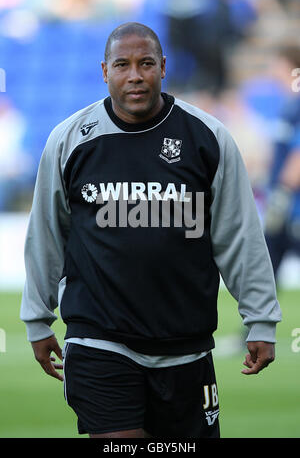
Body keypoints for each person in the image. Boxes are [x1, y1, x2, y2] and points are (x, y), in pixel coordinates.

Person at [20, 22, 282, 439]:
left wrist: (261, 320)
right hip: (99, 341)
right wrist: (38, 319)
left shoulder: (208, 137)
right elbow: (46, 234)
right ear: (104, 71)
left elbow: (239, 236)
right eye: (122, 65)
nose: (135, 75)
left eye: (145, 64)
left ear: (163, 66)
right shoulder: (70, 139)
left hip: (187, 347)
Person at [264, 44, 300, 284]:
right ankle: (260, 318)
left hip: (292, 198)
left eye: (279, 65)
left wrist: (284, 191)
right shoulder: (288, 104)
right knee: (270, 253)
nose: (274, 71)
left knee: (272, 250)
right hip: (284, 193)